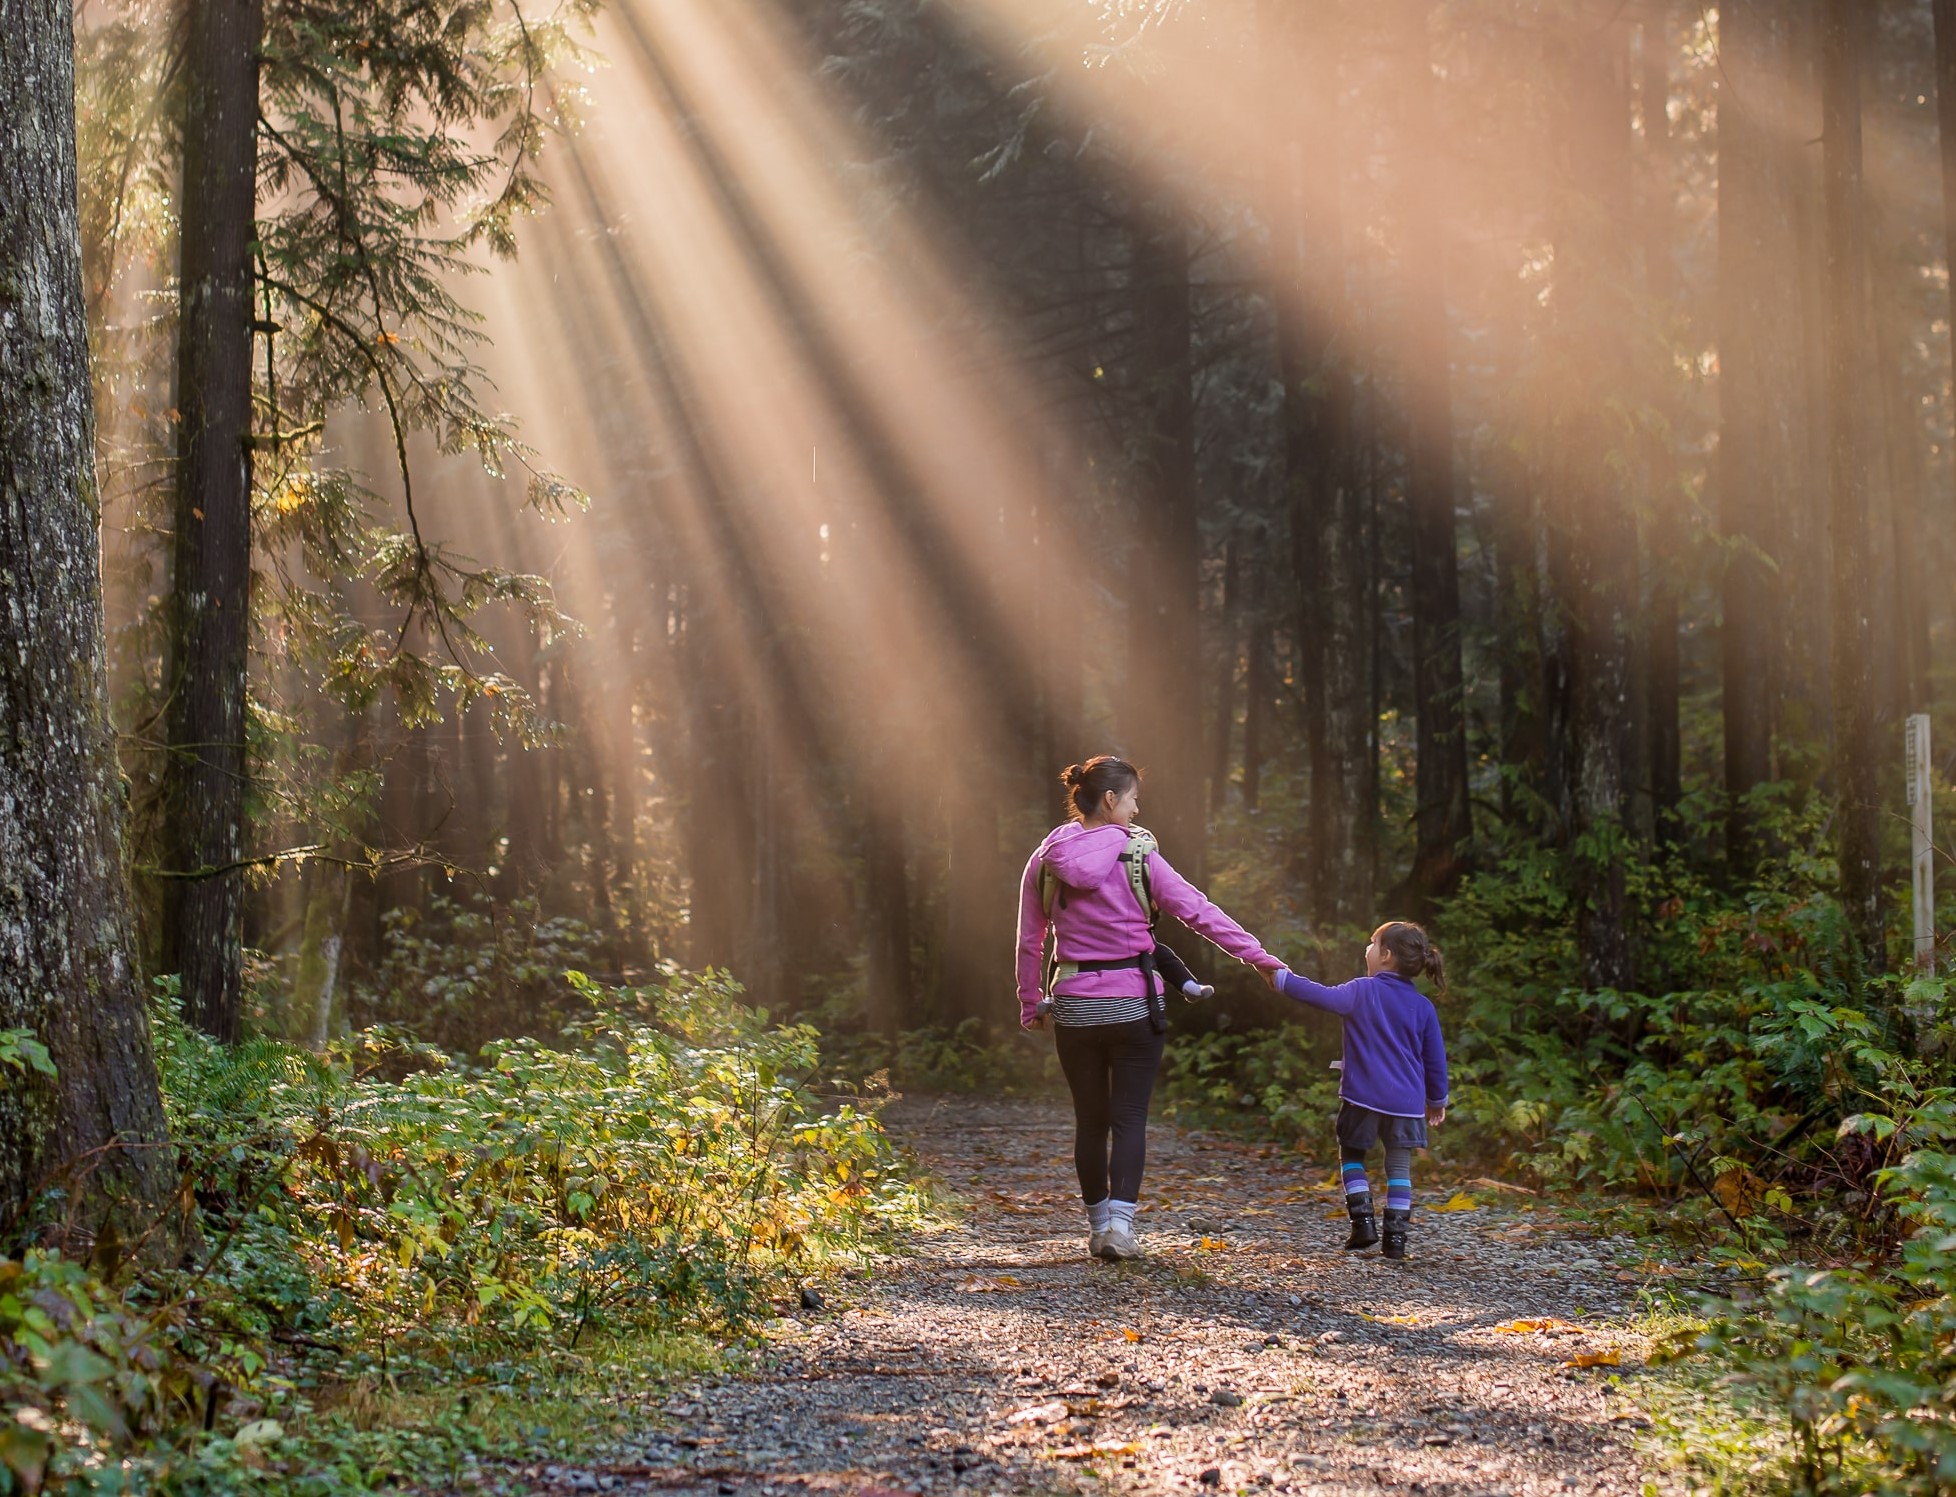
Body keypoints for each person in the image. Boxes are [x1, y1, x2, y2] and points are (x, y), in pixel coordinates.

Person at [1017, 755, 1280, 1262]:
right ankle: (1120, 1228)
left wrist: (1032, 1002)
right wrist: (1260, 959)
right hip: (1136, 1004)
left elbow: (1031, 940)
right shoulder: (1138, 855)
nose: (1137, 810)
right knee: (1129, 1118)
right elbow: (1199, 912)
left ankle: (1097, 1229)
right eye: (1133, 798)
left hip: (1074, 1005)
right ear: (1111, 799)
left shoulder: (1045, 857)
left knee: (1089, 1121)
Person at [1264, 922, 1449, 1261]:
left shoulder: (1362, 991)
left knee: (1351, 1155)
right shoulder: (1423, 1007)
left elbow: (1320, 995)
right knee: (1399, 1168)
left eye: (1372, 943)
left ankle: (1363, 1223)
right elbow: (1435, 1060)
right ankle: (1396, 1240)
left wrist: (1281, 979)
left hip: (1363, 1096)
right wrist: (1437, 1101)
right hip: (1406, 1103)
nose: (1367, 949)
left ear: (1386, 956)